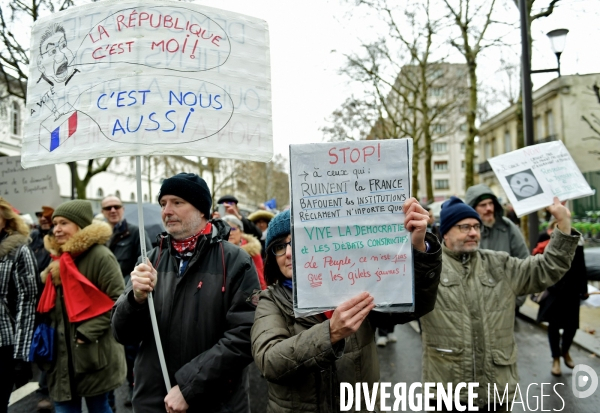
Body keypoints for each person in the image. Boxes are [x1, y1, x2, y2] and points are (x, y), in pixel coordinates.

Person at [251, 199, 442, 412]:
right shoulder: (271, 301)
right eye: (279, 246)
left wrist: (420, 248)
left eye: (297, 242)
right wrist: (330, 333)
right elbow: (269, 361)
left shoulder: (354, 284)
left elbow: (417, 305)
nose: (288, 253)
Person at [112, 173, 260, 413]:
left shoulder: (234, 261)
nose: (167, 211)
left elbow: (245, 336)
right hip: (153, 403)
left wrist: (188, 387)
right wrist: (134, 299)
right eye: (163, 204)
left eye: (177, 202)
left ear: (202, 210)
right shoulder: (149, 261)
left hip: (216, 403)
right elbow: (121, 333)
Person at [420, 196, 580, 411]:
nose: (474, 232)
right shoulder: (429, 269)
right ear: (445, 232)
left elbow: (547, 268)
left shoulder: (500, 264)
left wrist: (563, 224)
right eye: (464, 227)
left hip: (497, 391)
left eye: (476, 226)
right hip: (447, 393)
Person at [36, 200, 125, 413]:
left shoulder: (101, 256)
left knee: (98, 406)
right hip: (60, 352)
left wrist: (85, 334)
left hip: (92, 350)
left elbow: (117, 300)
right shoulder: (57, 259)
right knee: (64, 407)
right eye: (55, 223)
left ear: (80, 225)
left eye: (63, 223)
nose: (56, 229)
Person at [100, 194, 151, 407]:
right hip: (102, 304)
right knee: (107, 355)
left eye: (116, 206)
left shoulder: (135, 232)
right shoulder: (100, 236)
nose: (113, 210)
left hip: (127, 301)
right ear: (103, 212)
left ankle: (134, 390)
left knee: (131, 352)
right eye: (108, 207)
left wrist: (130, 290)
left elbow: (145, 261)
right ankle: (108, 398)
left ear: (122, 208)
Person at [534, 220, 589, 377]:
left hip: (572, 291)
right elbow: (537, 259)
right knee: (554, 326)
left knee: (571, 327)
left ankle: (565, 350)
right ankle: (556, 359)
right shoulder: (545, 236)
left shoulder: (576, 238)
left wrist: (583, 289)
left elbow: (581, 265)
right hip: (553, 290)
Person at [465, 184, 529, 315]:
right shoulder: (463, 232)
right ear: (472, 209)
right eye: (483, 205)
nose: (488, 208)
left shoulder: (508, 228)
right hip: (473, 311)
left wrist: (516, 300)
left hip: (506, 308)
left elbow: (526, 264)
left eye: (491, 203)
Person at [0, 198, 38, 413]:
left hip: (4, 342)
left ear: (6, 220)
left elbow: (27, 302)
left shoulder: (18, 251)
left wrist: (21, 355)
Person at [222, 214, 266, 289]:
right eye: (226, 228)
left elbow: (261, 281)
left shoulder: (252, 251)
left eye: (233, 229)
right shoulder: (218, 250)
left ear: (241, 232)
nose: (230, 232)